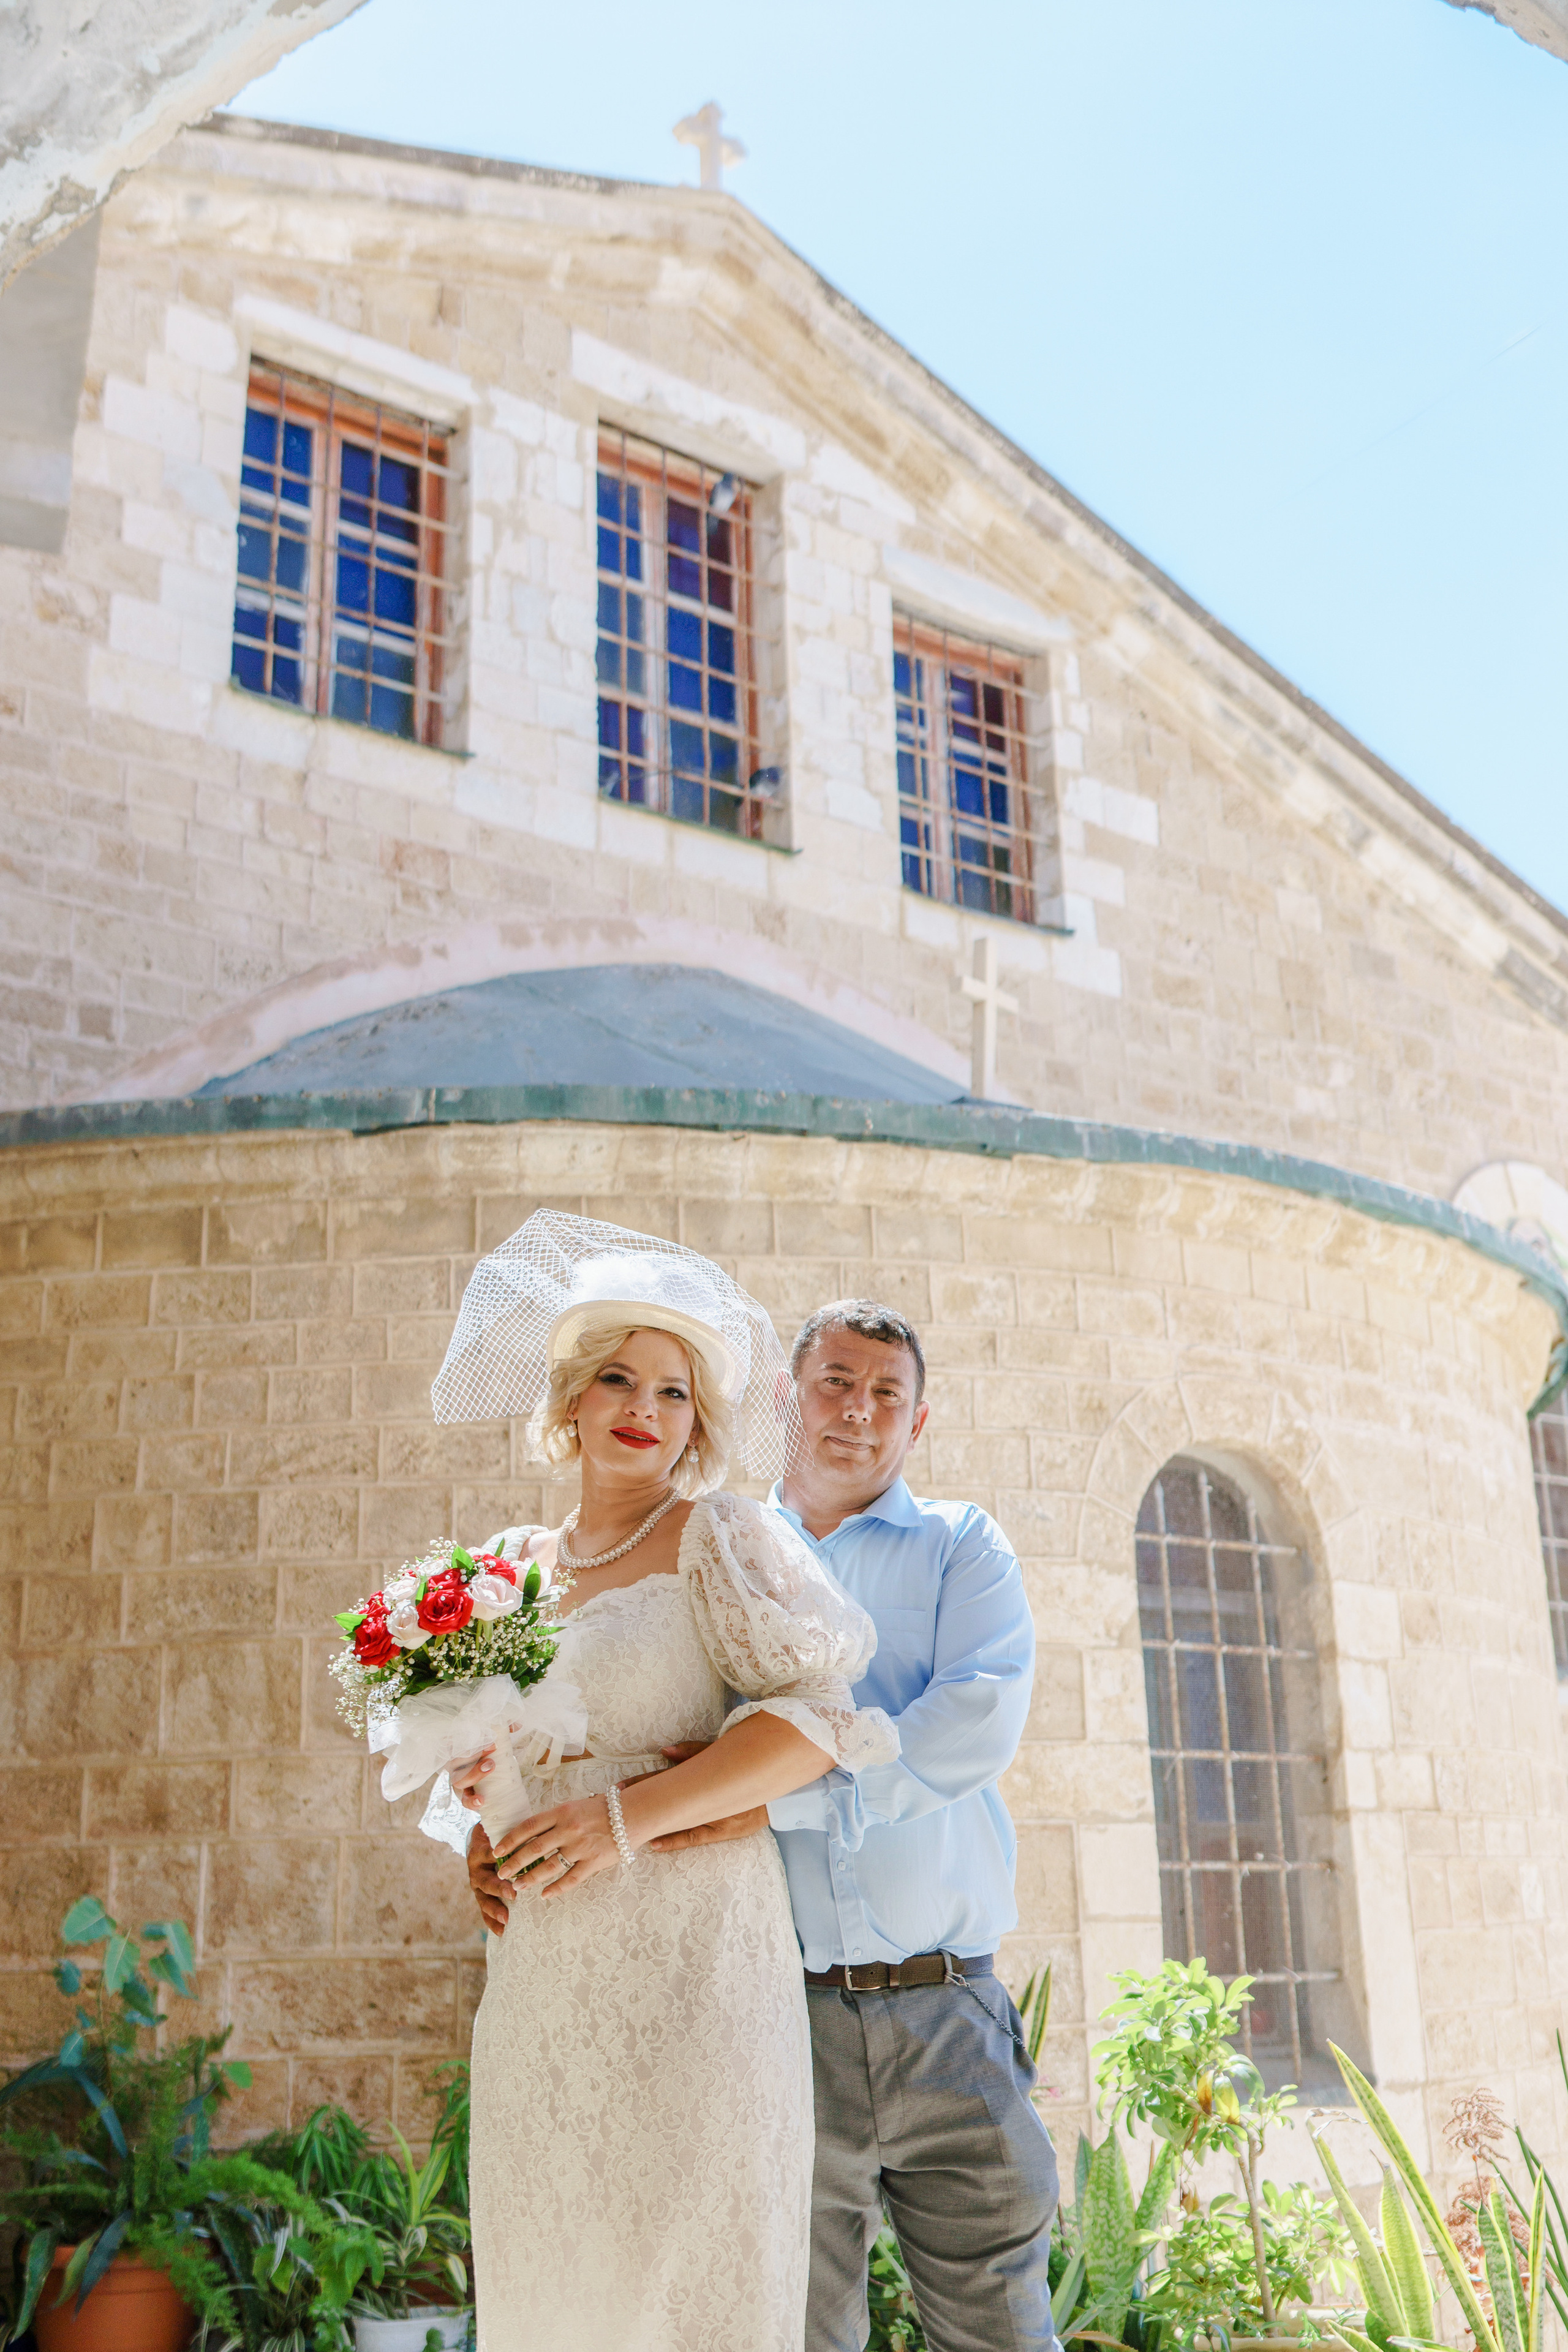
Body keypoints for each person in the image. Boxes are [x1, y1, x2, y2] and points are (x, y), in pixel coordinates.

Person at [469, 1294, 1059, 2352]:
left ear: (918, 1422)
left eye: (889, 1394)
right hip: (778, 1995)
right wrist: (492, 1831)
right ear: (788, 1399)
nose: (859, 1412)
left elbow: (965, 1725)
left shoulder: (945, 1545)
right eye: (836, 1382)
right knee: (785, 2318)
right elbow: (532, 1743)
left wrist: (744, 1802)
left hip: (938, 2000)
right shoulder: (711, 1540)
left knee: (996, 2331)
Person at [430, 1213, 897, 2352]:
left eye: (674, 1393)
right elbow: (483, 1759)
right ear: (573, 1400)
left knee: (693, 2271)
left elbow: (821, 1724)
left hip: (697, 1968)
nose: (644, 1409)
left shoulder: (719, 1537)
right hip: (543, 1980)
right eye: (619, 1380)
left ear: (697, 1423)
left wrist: (621, 1819)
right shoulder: (506, 1575)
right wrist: (485, 1843)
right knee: (559, 2276)